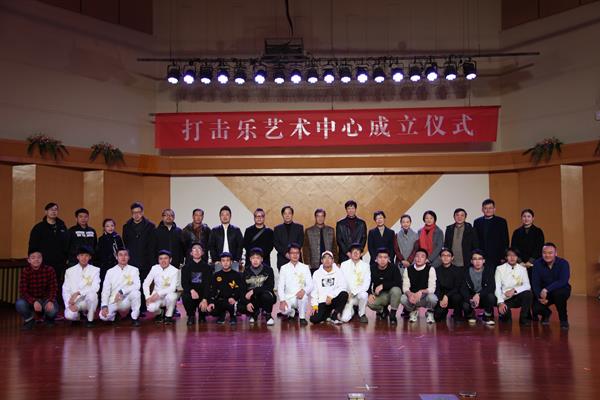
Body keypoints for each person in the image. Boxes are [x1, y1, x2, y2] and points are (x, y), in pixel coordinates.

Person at [28, 202, 68, 304]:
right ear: (46, 212)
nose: (53, 211)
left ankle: (54, 305)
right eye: (51, 209)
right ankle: (40, 306)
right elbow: (33, 245)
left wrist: (64, 258)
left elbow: (66, 244)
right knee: (42, 285)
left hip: (59, 263)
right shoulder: (38, 227)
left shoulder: (62, 226)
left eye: (55, 209)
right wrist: (34, 260)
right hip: (43, 263)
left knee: (57, 285)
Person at [122, 202, 156, 313]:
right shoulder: (126, 227)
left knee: (143, 284)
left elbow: (152, 245)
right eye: (134, 213)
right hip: (131, 261)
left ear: (142, 212)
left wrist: (152, 262)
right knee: (131, 285)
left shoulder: (150, 226)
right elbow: (125, 244)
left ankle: (142, 307)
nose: (136, 215)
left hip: (145, 260)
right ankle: (132, 308)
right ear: (131, 213)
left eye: (138, 212)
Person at [16, 250, 58, 330]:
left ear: (42, 259)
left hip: (46, 299)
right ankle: (29, 320)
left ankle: (48, 319)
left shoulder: (49, 269)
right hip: (32, 300)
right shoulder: (25, 271)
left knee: (52, 311)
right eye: (33, 258)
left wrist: (50, 301)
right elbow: (23, 291)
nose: (36, 259)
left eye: (39, 257)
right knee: (19, 304)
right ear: (29, 260)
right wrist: (34, 301)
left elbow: (54, 288)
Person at [532, 243, 571, 329]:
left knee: (559, 295)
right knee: (535, 308)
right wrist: (540, 297)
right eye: (544, 253)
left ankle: (563, 320)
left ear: (555, 253)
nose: (547, 255)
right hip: (544, 293)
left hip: (560, 290)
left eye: (550, 253)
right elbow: (535, 283)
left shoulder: (563, 263)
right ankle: (546, 313)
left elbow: (563, 281)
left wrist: (546, 289)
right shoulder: (537, 264)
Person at [99, 248, 141, 327]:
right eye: (120, 255)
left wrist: (122, 291)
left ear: (129, 257)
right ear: (116, 257)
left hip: (127, 300)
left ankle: (135, 318)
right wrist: (104, 305)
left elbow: (137, 285)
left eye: (125, 255)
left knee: (136, 293)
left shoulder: (134, 270)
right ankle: (115, 316)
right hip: (115, 300)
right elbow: (105, 290)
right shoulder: (110, 271)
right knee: (103, 316)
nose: (123, 257)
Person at [62, 246, 100, 328]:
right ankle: (77, 316)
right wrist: (69, 305)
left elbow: (96, 287)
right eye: (81, 255)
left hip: (87, 300)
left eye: (86, 256)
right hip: (74, 302)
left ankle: (90, 319)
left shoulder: (95, 270)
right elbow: (65, 290)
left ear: (90, 257)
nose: (84, 258)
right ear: (77, 257)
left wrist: (79, 293)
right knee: (69, 315)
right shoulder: (69, 271)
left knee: (93, 295)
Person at [495, 248, 532, 326]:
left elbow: (527, 285)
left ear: (517, 257)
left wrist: (514, 290)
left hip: (517, 297)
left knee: (528, 294)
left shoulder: (522, 269)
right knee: (507, 322)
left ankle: (523, 318)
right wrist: (500, 303)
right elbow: (497, 287)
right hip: (505, 298)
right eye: (509, 255)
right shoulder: (499, 269)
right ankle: (503, 316)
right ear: (506, 257)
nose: (512, 258)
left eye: (514, 255)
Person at [277, 243, 313, 326]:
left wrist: (303, 291)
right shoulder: (284, 268)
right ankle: (292, 311)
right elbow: (280, 286)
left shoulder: (305, 267)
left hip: (299, 296)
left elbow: (310, 284)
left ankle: (302, 317)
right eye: (292, 253)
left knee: (303, 297)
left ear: (300, 254)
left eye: (297, 253)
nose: (295, 255)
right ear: (289, 254)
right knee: (284, 310)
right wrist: (282, 300)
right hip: (288, 297)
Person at [310, 251, 349, 324]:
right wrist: (314, 305)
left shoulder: (338, 271)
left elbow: (343, 286)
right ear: (321, 261)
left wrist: (331, 296)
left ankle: (335, 314)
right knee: (314, 319)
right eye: (324, 258)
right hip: (322, 301)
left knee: (344, 294)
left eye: (329, 258)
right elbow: (314, 291)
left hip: (334, 300)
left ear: (333, 260)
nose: (327, 260)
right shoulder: (316, 273)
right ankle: (328, 314)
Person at [401, 248, 438, 324]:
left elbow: (432, 288)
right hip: (413, 297)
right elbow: (405, 287)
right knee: (403, 298)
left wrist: (421, 291)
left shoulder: (431, 269)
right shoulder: (408, 269)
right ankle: (413, 311)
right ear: (414, 258)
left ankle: (429, 312)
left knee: (433, 298)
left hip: (425, 297)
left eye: (422, 256)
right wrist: (410, 294)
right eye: (417, 256)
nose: (419, 258)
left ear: (426, 260)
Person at [240, 247, 276, 325]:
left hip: (264, 295)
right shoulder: (246, 271)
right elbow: (242, 290)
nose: (255, 260)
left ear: (262, 259)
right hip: (253, 298)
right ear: (250, 259)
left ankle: (268, 315)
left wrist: (254, 291)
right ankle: (254, 313)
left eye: (258, 258)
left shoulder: (268, 270)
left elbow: (270, 286)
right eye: (253, 258)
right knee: (241, 307)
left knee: (266, 296)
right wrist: (247, 303)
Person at [367, 248, 403, 325]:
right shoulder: (372, 268)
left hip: (392, 294)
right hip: (380, 295)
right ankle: (383, 310)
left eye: (385, 257)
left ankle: (393, 314)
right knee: (369, 302)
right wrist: (369, 294)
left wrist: (383, 286)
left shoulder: (394, 268)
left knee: (396, 290)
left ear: (389, 259)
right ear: (376, 259)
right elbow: (367, 283)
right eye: (380, 257)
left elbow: (399, 283)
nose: (382, 260)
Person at [143, 250, 179, 325]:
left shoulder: (175, 271)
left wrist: (159, 293)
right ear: (158, 260)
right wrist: (147, 297)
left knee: (172, 296)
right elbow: (146, 283)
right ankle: (160, 313)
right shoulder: (154, 268)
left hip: (168, 294)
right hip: (156, 295)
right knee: (150, 307)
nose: (163, 261)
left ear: (170, 260)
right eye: (161, 258)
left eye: (166, 258)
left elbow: (172, 288)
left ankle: (168, 316)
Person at [461, 249, 497, 326]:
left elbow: (491, 287)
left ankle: (487, 315)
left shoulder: (488, 270)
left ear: (484, 261)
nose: (477, 262)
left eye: (480, 259)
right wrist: (470, 299)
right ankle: (471, 314)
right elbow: (463, 289)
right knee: (465, 305)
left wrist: (479, 295)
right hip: (471, 298)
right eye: (475, 259)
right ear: (471, 261)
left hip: (483, 297)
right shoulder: (466, 271)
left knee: (491, 297)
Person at [207, 252, 244, 325]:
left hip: (233, 300)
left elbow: (240, 289)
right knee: (212, 310)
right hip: (221, 300)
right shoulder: (216, 275)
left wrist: (235, 298)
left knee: (237, 306)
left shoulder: (237, 275)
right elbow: (213, 290)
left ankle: (233, 316)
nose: (225, 263)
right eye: (223, 261)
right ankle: (221, 315)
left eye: (227, 260)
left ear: (231, 262)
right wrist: (211, 302)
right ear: (220, 263)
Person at [181, 243, 213, 325]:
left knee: (209, 294)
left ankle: (202, 315)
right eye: (194, 249)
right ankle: (191, 315)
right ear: (191, 253)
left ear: (202, 253)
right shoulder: (185, 268)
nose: (197, 251)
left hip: (203, 293)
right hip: (192, 293)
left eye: (199, 249)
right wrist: (191, 290)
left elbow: (208, 284)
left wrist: (205, 299)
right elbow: (184, 283)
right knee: (185, 295)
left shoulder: (208, 268)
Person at [473, 199, 509, 270]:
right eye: (485, 208)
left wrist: (503, 256)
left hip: (497, 256)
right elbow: (475, 240)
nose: (488, 210)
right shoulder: (477, 222)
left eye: (490, 208)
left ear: (494, 209)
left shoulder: (501, 221)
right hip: (482, 257)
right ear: (482, 209)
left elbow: (505, 240)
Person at [511, 208, 545, 283]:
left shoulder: (538, 231)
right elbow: (514, 248)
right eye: (524, 216)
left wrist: (530, 261)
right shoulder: (516, 232)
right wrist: (520, 261)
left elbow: (539, 247)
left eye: (529, 216)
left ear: (533, 218)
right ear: (521, 218)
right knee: (520, 284)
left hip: (534, 262)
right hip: (520, 263)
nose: (526, 218)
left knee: (534, 282)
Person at [340, 243, 371, 323]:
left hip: (358, 294)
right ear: (350, 254)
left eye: (358, 251)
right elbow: (341, 282)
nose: (356, 253)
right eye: (354, 251)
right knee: (345, 319)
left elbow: (366, 284)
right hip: (347, 296)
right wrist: (345, 294)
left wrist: (354, 292)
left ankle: (362, 314)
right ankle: (352, 309)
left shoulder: (365, 266)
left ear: (361, 254)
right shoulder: (344, 265)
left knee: (364, 295)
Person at [208, 206, 244, 272]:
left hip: (233, 261)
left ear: (230, 216)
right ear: (220, 216)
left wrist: (236, 259)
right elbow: (211, 246)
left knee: (234, 278)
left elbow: (240, 246)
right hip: (219, 262)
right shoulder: (214, 230)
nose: (225, 217)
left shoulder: (236, 230)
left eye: (227, 214)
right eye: (222, 215)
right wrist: (216, 260)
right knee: (219, 278)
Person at [433, 248, 464, 322]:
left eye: (448, 255)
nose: (446, 257)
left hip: (453, 295)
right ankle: (444, 311)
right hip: (441, 296)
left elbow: (457, 287)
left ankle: (457, 314)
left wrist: (447, 296)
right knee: (438, 317)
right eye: (443, 255)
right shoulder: (436, 270)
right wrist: (440, 299)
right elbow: (436, 288)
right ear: (440, 257)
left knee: (457, 297)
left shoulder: (458, 270)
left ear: (452, 258)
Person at [304, 208, 336, 273]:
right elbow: (306, 249)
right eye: (318, 216)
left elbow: (334, 247)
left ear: (324, 217)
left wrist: (335, 261)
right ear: (315, 217)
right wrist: (307, 263)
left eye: (322, 216)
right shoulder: (309, 231)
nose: (320, 218)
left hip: (328, 263)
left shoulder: (331, 230)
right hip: (314, 264)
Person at [273, 205, 304, 269]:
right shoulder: (277, 229)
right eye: (285, 213)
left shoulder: (299, 227)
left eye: (289, 213)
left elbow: (300, 242)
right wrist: (285, 253)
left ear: (292, 214)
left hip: (296, 258)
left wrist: (292, 253)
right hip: (282, 259)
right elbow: (276, 244)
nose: (287, 215)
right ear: (282, 215)